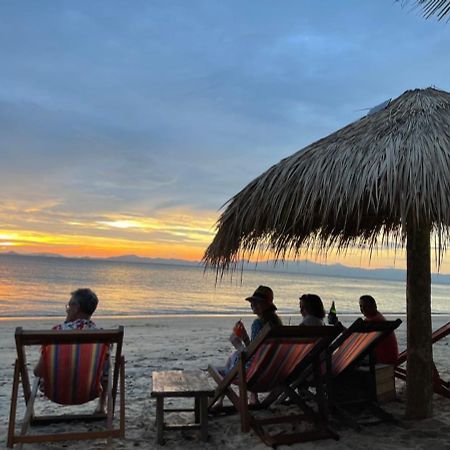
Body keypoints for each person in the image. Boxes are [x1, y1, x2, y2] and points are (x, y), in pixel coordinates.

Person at [33, 288, 105, 411]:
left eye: (68, 306)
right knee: (107, 370)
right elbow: (105, 371)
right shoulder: (101, 336)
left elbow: (38, 372)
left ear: (76, 308)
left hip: (56, 391)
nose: (67, 310)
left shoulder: (56, 332)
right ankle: (102, 406)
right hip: (89, 390)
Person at [214, 285, 282, 407]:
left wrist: (239, 342)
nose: (253, 305)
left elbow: (253, 352)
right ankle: (253, 398)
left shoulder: (258, 323)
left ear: (267, 305)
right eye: (252, 302)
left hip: (255, 375)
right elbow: (260, 351)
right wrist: (245, 338)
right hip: (273, 374)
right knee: (236, 357)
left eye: (257, 303)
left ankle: (219, 400)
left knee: (227, 364)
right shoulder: (277, 323)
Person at [359, 294, 399, 365]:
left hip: (383, 360)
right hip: (389, 358)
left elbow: (357, 338)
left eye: (365, 306)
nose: (363, 309)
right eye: (361, 306)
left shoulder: (375, 321)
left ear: (374, 306)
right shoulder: (376, 317)